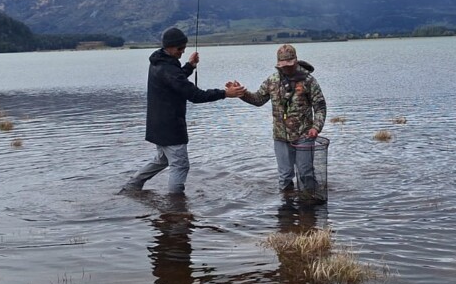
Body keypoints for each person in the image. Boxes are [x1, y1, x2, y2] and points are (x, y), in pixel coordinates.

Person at [122, 27, 245, 195]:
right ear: (170, 47)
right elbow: (194, 95)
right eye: (180, 48)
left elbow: (176, 79)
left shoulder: (159, 62)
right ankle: (176, 203)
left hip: (157, 125)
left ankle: (132, 186)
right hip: (171, 127)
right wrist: (225, 93)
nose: (182, 51)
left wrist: (190, 65)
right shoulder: (168, 69)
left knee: (162, 160)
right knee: (180, 165)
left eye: (184, 48)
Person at [237, 44, 327, 197]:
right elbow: (258, 99)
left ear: (296, 61)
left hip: (304, 135)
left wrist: (316, 128)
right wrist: (242, 93)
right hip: (280, 136)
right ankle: (287, 211)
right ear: (279, 64)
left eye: (290, 65)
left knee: (306, 174)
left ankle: (311, 206)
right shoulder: (272, 81)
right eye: (283, 66)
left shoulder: (309, 81)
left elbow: (320, 107)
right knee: (285, 176)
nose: (287, 68)